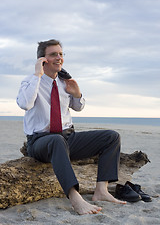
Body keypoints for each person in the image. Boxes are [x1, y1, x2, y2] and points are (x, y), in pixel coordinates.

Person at [16, 39, 126, 215]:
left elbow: (78, 107)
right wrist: (37, 75)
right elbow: (25, 104)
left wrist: (77, 93)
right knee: (56, 140)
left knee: (111, 137)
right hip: (40, 142)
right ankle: (75, 197)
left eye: (61, 54)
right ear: (42, 60)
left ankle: (101, 191)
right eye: (53, 54)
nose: (59, 58)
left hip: (68, 138)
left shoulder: (63, 82)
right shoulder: (30, 81)